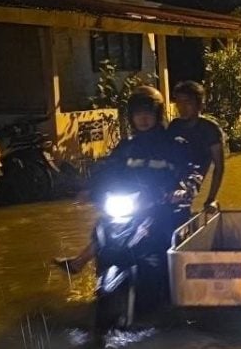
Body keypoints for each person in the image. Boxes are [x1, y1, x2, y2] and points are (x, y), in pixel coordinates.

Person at [55, 86, 197, 276]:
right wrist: (90, 188)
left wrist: (184, 189)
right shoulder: (126, 146)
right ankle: (80, 262)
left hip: (165, 207)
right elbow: (108, 169)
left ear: (157, 114)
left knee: (167, 235)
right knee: (106, 224)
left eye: (148, 113)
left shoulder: (174, 144)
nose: (143, 118)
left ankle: (170, 278)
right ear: (131, 116)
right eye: (138, 114)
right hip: (135, 205)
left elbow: (191, 172)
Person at [168, 81, 226, 214]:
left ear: (199, 104)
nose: (182, 107)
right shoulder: (174, 126)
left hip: (192, 179)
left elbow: (219, 166)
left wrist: (211, 198)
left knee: (180, 199)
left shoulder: (210, 129)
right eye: (179, 102)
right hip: (171, 176)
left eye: (187, 102)